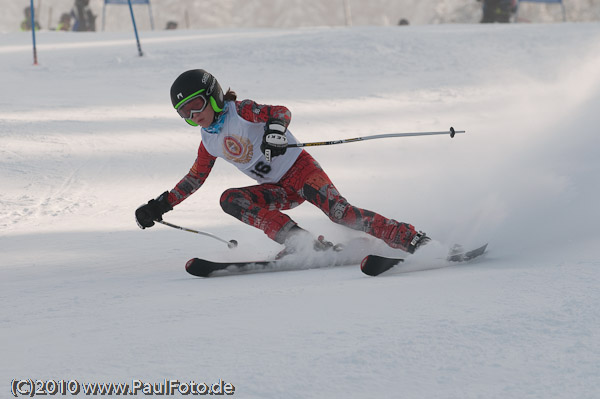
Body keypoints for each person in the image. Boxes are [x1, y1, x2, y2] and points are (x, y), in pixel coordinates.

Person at [135, 69, 430, 258]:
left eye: (196, 105)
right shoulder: (208, 142)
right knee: (230, 199)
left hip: (302, 173)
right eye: (184, 112)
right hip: (277, 190)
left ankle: (410, 238)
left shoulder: (241, 111)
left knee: (341, 213)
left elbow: (280, 111)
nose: (193, 115)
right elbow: (194, 179)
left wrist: (275, 131)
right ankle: (301, 243)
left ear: (212, 96)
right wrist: (161, 205)